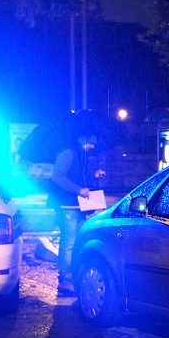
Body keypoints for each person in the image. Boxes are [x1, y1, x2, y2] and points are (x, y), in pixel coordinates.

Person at [47, 125, 106, 295]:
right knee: (69, 241)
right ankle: (64, 279)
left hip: (77, 206)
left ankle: (71, 275)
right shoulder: (68, 152)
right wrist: (79, 190)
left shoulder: (80, 155)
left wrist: (94, 176)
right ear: (82, 139)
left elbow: (75, 176)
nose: (93, 147)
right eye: (91, 143)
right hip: (67, 205)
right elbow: (57, 177)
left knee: (75, 242)